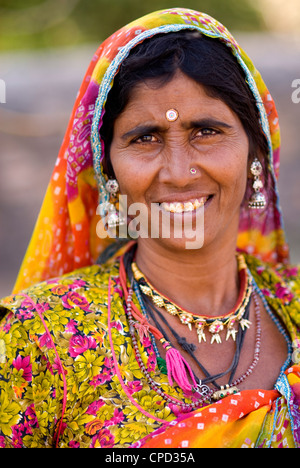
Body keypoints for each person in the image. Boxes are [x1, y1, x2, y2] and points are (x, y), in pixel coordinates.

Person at [0, 7, 299, 449]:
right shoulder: (40, 337)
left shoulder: (292, 309)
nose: (178, 173)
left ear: (256, 151)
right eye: (145, 138)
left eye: (207, 131)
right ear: (108, 169)